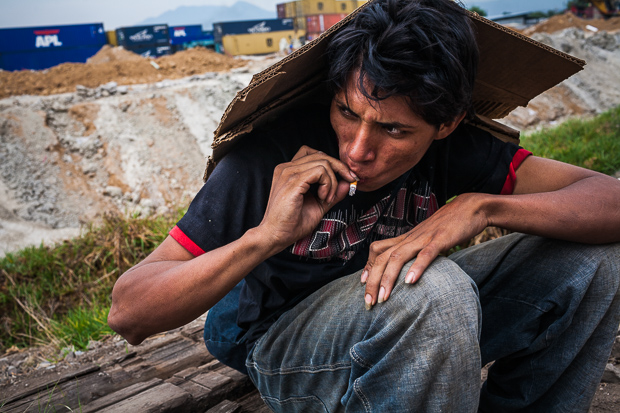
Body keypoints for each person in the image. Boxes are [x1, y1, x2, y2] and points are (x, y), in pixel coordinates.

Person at [108, 0, 620, 411]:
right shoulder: (270, 158)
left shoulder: (451, 145)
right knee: (431, 288)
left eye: (394, 130)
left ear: (448, 123)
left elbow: (609, 200)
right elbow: (128, 311)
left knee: (594, 261)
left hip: (406, 323)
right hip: (283, 341)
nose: (356, 149)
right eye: (347, 113)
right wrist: (264, 236)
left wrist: (480, 209)